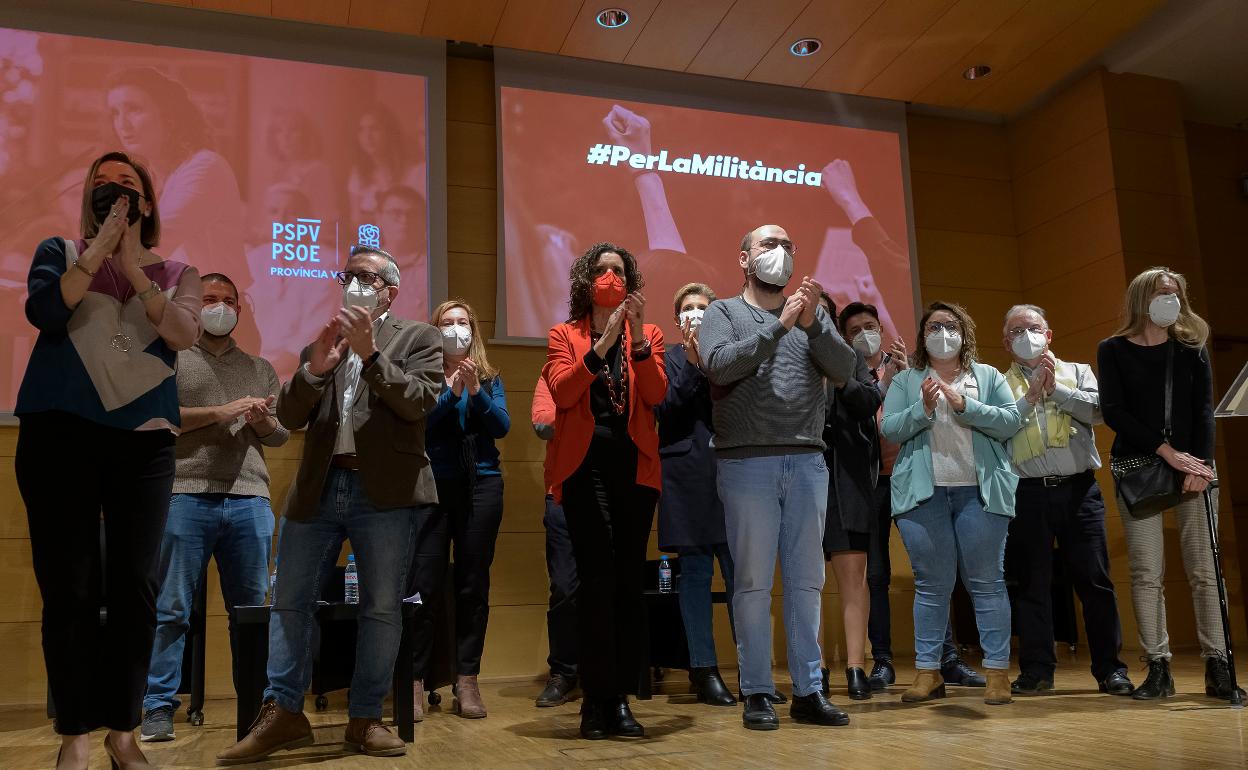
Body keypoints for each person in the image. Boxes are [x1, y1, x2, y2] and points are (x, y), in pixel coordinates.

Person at [217, 246, 442, 763]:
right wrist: (315, 371)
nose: (355, 283)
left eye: (366, 276)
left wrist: (370, 355)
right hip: (319, 487)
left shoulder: (419, 337)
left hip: (383, 491)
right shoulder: (323, 339)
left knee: (382, 608)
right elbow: (292, 415)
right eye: (349, 276)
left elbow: (417, 402)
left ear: (390, 288)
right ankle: (284, 713)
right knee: (290, 601)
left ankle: (365, 718)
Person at [15, 151, 202, 770]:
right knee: (67, 587)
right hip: (59, 434)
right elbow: (46, 311)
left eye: (129, 185)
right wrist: (97, 252)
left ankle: (123, 730)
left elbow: (182, 334)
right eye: (104, 183)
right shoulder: (58, 251)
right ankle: (75, 733)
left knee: (136, 588)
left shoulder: (178, 270)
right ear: (88, 196)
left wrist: (135, 269)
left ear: (147, 203)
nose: (116, 192)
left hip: (143, 440)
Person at [698, 224, 856, 731]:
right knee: (751, 583)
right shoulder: (722, 311)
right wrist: (780, 326)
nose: (781, 253)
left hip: (808, 460)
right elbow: (720, 366)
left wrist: (811, 326)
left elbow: (845, 368)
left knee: (808, 581)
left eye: (788, 245)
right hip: (747, 462)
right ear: (744, 258)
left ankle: (809, 690)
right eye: (769, 245)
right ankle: (759, 692)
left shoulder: (814, 314)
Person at [141, 272, 289, 742]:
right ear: (193, 306)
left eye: (228, 301)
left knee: (252, 613)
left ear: (239, 311)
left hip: (250, 500)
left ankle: (257, 710)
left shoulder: (261, 367)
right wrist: (222, 412)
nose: (219, 307)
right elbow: (156, 418)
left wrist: (263, 422)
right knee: (172, 611)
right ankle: (158, 708)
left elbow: (281, 436)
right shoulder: (172, 357)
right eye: (209, 299)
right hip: (185, 493)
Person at [543, 242, 666, 739]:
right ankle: (594, 701)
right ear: (586, 280)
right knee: (594, 581)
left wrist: (632, 340)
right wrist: (600, 346)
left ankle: (619, 700)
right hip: (583, 466)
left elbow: (657, 394)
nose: (611, 277)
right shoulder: (564, 334)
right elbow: (563, 391)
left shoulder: (650, 334)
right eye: (602, 270)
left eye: (619, 270)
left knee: (626, 583)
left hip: (634, 468)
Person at [1097, 267, 1234, 700]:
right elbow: (1115, 412)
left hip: (1195, 469)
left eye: (1175, 293)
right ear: (1142, 298)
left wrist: (1201, 466)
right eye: (1161, 292)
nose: (1170, 300)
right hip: (1139, 467)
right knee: (1145, 573)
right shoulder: (1113, 349)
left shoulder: (1191, 348)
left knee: (1204, 572)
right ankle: (1159, 667)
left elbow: (1204, 410)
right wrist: (1165, 450)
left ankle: (1218, 665)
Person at [880, 301, 1021, 707]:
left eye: (951, 326)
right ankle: (928, 672)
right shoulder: (908, 380)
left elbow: (1010, 421)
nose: (943, 333)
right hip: (925, 495)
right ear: (923, 336)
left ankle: (997, 673)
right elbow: (889, 428)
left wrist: (966, 406)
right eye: (934, 326)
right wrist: (923, 409)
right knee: (931, 586)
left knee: (987, 584)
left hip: (980, 493)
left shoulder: (988, 376)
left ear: (965, 333)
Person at [839, 301, 985, 691]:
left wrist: (902, 378)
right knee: (876, 574)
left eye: (870, 326)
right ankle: (883, 660)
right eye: (854, 331)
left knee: (937, 571)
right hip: (867, 485)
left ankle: (947, 659)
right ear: (843, 338)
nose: (863, 335)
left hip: (918, 478)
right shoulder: (845, 375)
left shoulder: (911, 368)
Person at [999, 304, 1134, 697]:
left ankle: (1111, 669)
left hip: (1080, 490)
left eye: (1034, 327)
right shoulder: (997, 382)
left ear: (1049, 333)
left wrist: (1055, 390)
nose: (1027, 335)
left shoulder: (1078, 372)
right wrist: (1028, 401)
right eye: (1017, 331)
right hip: (1026, 494)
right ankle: (1037, 670)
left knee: (1095, 581)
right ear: (1006, 342)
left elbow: (1099, 412)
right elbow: (995, 423)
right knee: (1031, 585)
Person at [409, 300, 510, 719]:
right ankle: (413, 680)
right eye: (447, 323)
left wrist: (474, 392)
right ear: (435, 332)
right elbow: (423, 424)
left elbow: (500, 426)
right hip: (432, 487)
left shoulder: (489, 377)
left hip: (481, 486)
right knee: (423, 585)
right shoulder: (424, 375)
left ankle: (467, 680)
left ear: (474, 330)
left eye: (462, 322)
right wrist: (451, 394)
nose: (455, 329)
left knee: (472, 585)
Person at [655, 283, 736, 707]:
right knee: (696, 576)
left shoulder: (731, 352)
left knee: (744, 575)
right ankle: (703, 670)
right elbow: (666, 411)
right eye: (688, 308)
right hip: (685, 477)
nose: (696, 314)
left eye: (704, 308)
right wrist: (689, 362)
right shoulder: (665, 357)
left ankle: (754, 669)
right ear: (676, 318)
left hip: (733, 474)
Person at [814, 294, 879, 701]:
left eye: (821, 311)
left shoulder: (848, 356)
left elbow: (869, 401)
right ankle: (814, 669)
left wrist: (840, 378)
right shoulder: (783, 354)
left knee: (853, 580)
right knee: (808, 583)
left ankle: (856, 668)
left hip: (846, 480)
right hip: (801, 476)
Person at [531, 375, 580, 707]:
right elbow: (543, 423)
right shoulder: (552, 372)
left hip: (613, 493)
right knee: (563, 587)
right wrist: (589, 416)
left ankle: (608, 668)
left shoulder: (619, 369)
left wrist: (573, 415)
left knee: (608, 585)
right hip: (562, 495)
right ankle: (563, 672)